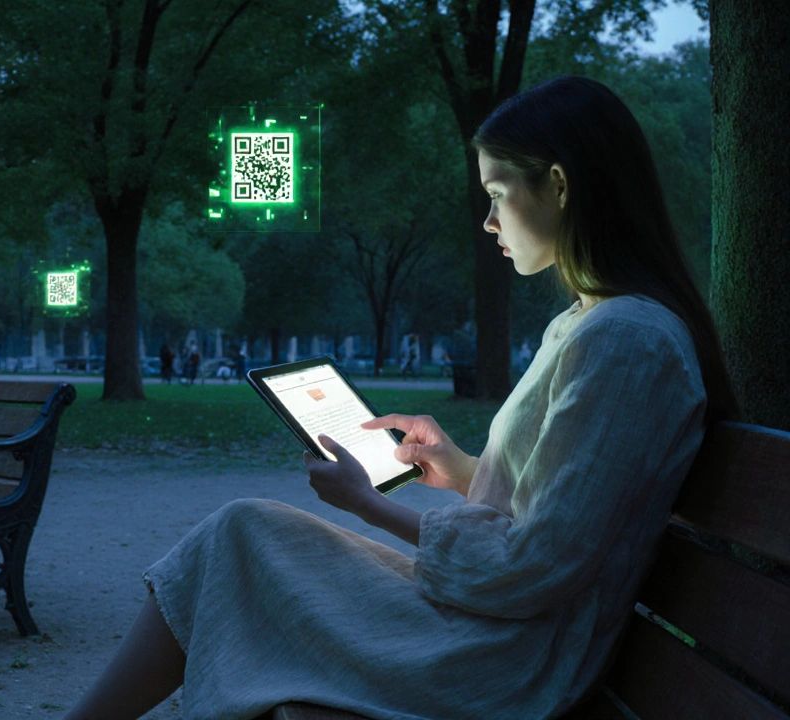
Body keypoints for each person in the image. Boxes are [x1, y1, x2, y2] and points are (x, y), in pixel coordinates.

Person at [63, 76, 739, 720]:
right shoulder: (594, 324)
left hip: (501, 662)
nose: (489, 220)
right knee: (241, 535)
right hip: (501, 630)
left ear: (558, 185)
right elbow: (565, 513)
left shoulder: (625, 339)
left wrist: (366, 504)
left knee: (240, 536)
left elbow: (538, 564)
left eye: (499, 192)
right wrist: (461, 469)